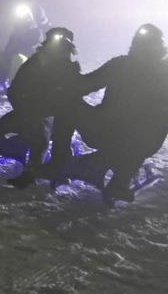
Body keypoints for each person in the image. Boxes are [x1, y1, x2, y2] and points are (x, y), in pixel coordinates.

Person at [48, 24, 168, 202]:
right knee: (147, 132)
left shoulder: (123, 65)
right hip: (132, 140)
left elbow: (82, 86)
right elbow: (83, 86)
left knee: (68, 104)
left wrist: (68, 75)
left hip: (108, 133)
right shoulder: (149, 70)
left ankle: (63, 159)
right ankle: (118, 180)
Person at [0, 27, 81, 187]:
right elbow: (15, 89)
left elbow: (72, 98)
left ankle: (37, 172)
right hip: (26, 111)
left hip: (51, 116)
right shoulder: (35, 62)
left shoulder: (69, 69)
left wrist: (51, 112)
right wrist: (23, 108)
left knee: (45, 137)